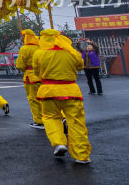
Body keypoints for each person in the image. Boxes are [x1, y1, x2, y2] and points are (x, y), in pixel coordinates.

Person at [33, 29, 91, 163]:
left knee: (50, 118)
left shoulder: (39, 53)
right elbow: (80, 66)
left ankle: (59, 143)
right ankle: (82, 155)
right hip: (71, 91)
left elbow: (36, 72)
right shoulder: (71, 52)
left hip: (48, 92)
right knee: (76, 122)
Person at [15, 30, 44, 129]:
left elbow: (20, 65)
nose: (21, 38)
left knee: (33, 99)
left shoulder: (25, 48)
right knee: (45, 99)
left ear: (26, 37)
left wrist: (25, 68)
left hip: (31, 76)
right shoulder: (40, 46)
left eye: (22, 36)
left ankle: (39, 121)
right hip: (42, 76)